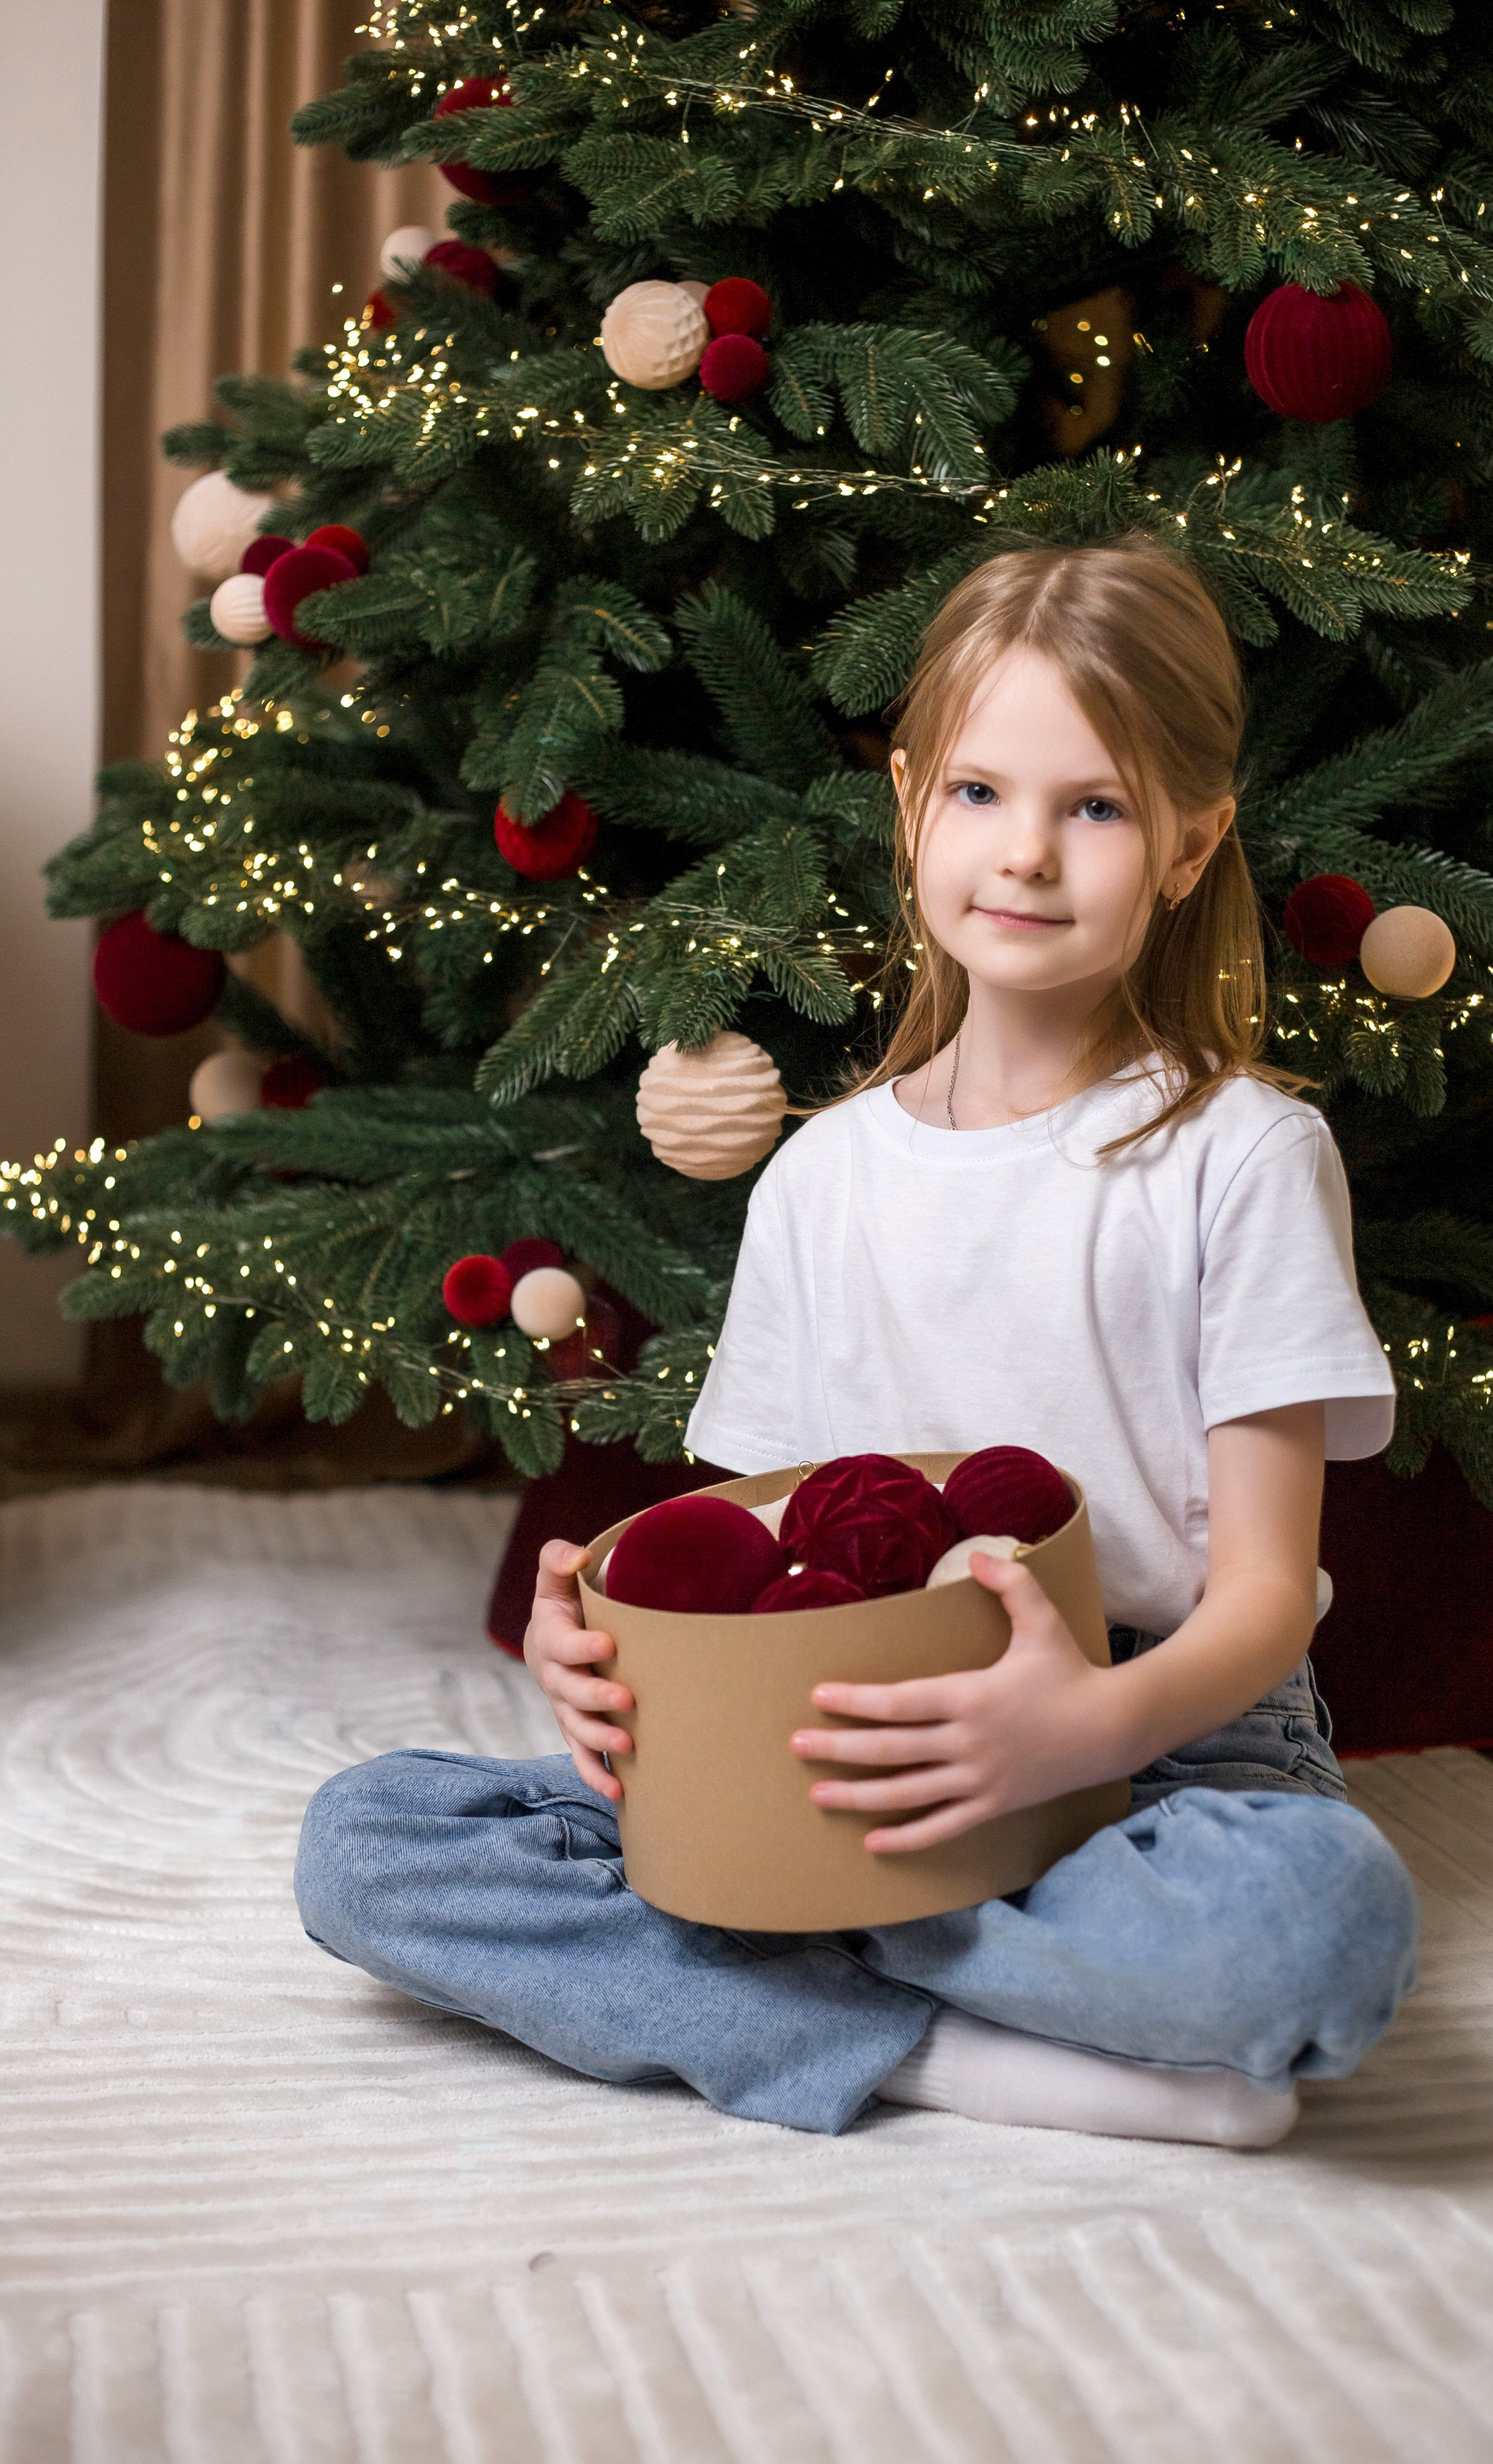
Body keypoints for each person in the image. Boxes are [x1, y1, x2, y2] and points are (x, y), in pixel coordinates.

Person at [295, 539, 1420, 2145]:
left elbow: (1258, 1597)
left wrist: (1078, 1729)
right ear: (908, 805)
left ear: (1190, 843)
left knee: (1318, 1922)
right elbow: (759, 1547)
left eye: (1096, 808)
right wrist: (609, 1649)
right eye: (979, 792)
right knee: (367, 1843)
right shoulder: (821, 1177)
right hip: (839, 1727)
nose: (1024, 851)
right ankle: (947, 2049)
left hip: (1156, 1741)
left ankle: (793, 1970)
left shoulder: (1240, 1157)